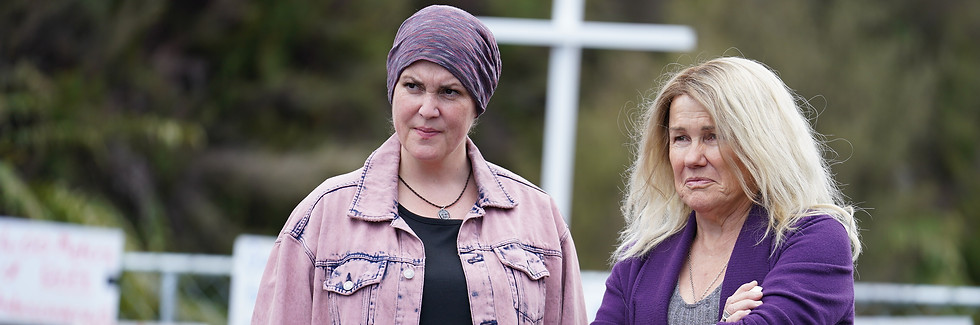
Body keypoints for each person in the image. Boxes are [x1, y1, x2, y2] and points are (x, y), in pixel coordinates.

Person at [251, 5, 588, 325]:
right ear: (393, 90)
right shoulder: (324, 216)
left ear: (477, 104)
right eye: (413, 86)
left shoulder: (538, 218)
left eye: (449, 92)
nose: (427, 109)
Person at [592, 57, 862, 324]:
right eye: (681, 138)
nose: (692, 158)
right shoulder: (640, 259)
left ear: (761, 145)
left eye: (712, 136)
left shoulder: (815, 240)